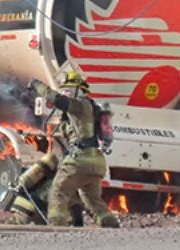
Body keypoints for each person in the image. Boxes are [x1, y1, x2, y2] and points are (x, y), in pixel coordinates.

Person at [28, 73, 119, 228]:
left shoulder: (80, 105)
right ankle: (111, 226)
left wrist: (36, 85)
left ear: (78, 89)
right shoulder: (90, 108)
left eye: (68, 90)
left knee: (58, 192)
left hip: (80, 160)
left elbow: (56, 99)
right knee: (93, 201)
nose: (66, 93)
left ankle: (57, 228)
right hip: (95, 161)